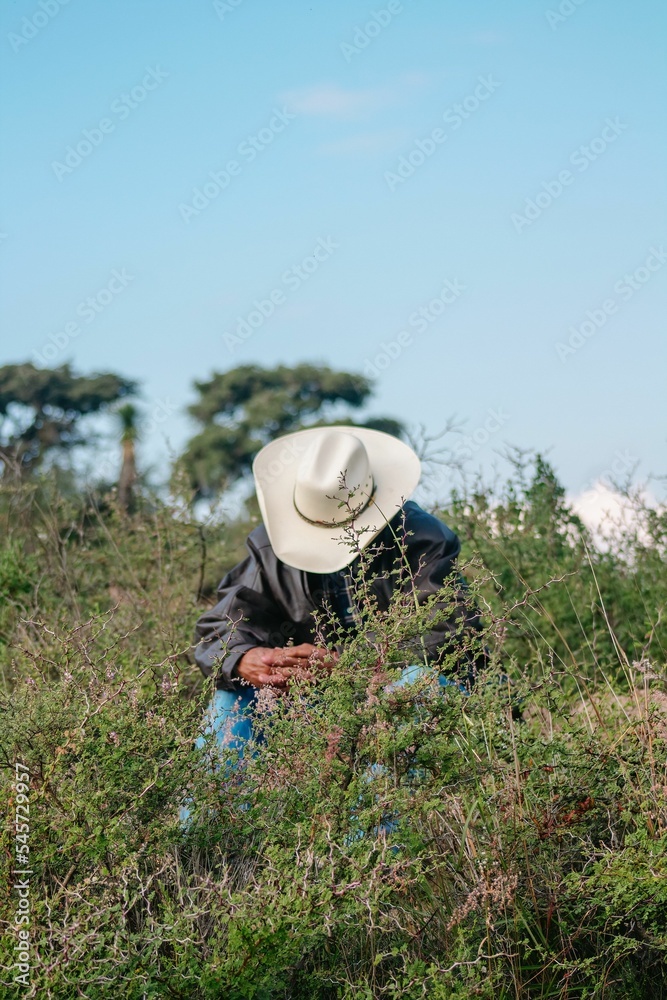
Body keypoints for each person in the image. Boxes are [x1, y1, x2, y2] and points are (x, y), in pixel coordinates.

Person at [191, 426, 486, 760]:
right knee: (232, 699)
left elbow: (446, 627)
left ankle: (379, 811)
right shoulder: (270, 546)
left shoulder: (422, 538)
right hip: (312, 697)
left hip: (396, 680)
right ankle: (215, 812)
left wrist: (350, 665)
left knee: (411, 688)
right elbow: (220, 625)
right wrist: (242, 659)